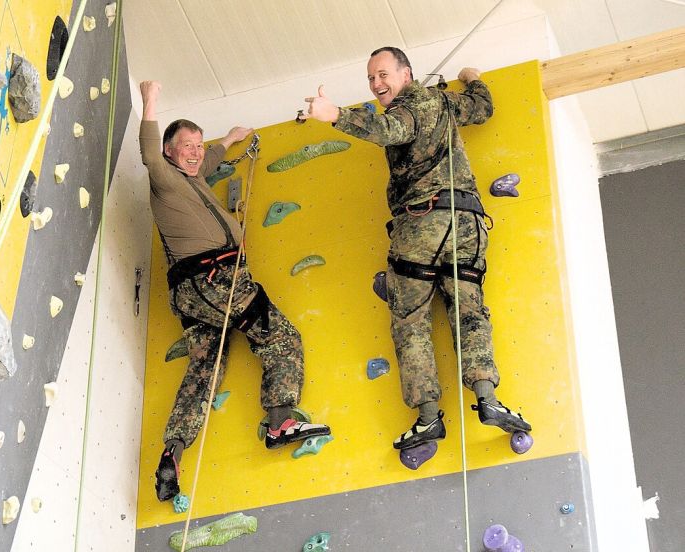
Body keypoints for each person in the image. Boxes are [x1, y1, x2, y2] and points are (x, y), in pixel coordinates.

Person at [301, 47, 531, 451]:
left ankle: (427, 419)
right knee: (470, 311)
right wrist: (473, 76)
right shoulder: (444, 101)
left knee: (410, 321)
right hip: (468, 224)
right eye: (371, 78)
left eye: (383, 74)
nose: (376, 84)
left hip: (422, 223)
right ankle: (489, 400)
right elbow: (481, 107)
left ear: (407, 74)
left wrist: (334, 114)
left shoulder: (408, 107)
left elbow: (389, 130)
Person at [139, 80, 330, 502]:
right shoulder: (164, 180)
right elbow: (149, 154)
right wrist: (151, 102)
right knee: (280, 337)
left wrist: (226, 140)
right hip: (214, 282)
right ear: (169, 153)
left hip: (197, 296)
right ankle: (280, 419)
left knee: (204, 372)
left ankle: (172, 452)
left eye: (196, 143)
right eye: (184, 145)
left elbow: (207, 161)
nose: (193, 150)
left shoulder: (193, 179)